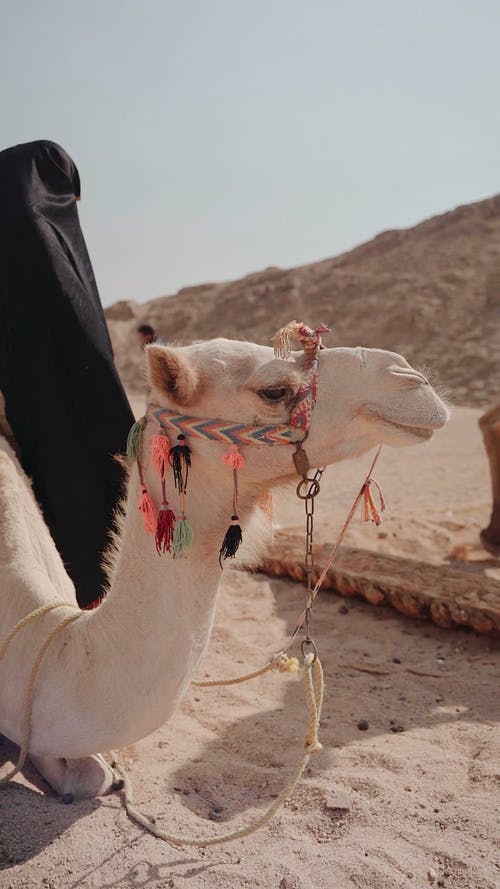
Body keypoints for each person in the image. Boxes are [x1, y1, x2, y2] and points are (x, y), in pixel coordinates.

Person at [0, 140, 135, 608]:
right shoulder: (42, 229)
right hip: (77, 395)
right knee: (95, 483)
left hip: (20, 401)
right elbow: (83, 330)